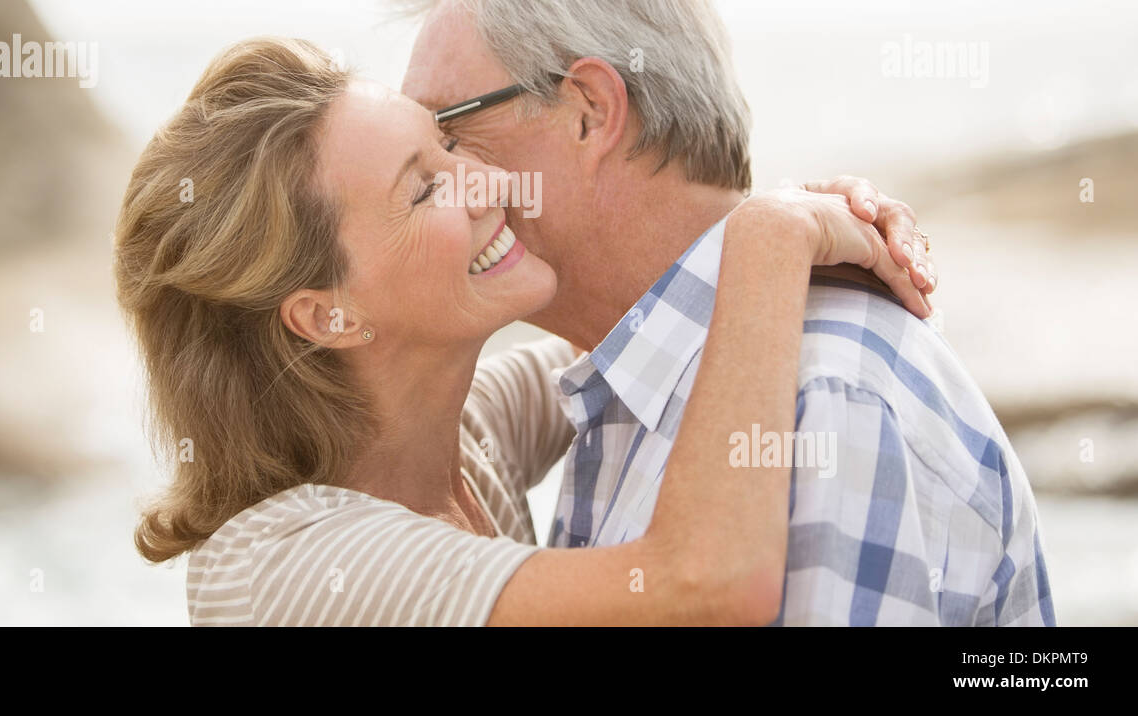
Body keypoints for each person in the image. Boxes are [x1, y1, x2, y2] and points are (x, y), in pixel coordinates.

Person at [114, 37, 933, 625]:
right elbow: (708, 589)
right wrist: (770, 236)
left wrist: (801, 216)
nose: (487, 183)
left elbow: (648, 335)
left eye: (448, 142)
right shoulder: (289, 568)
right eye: (426, 188)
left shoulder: (465, 443)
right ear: (328, 314)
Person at [397, 0, 1055, 625]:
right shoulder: (635, 368)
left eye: (448, 132)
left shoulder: (824, 397)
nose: (440, 181)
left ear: (588, 110)